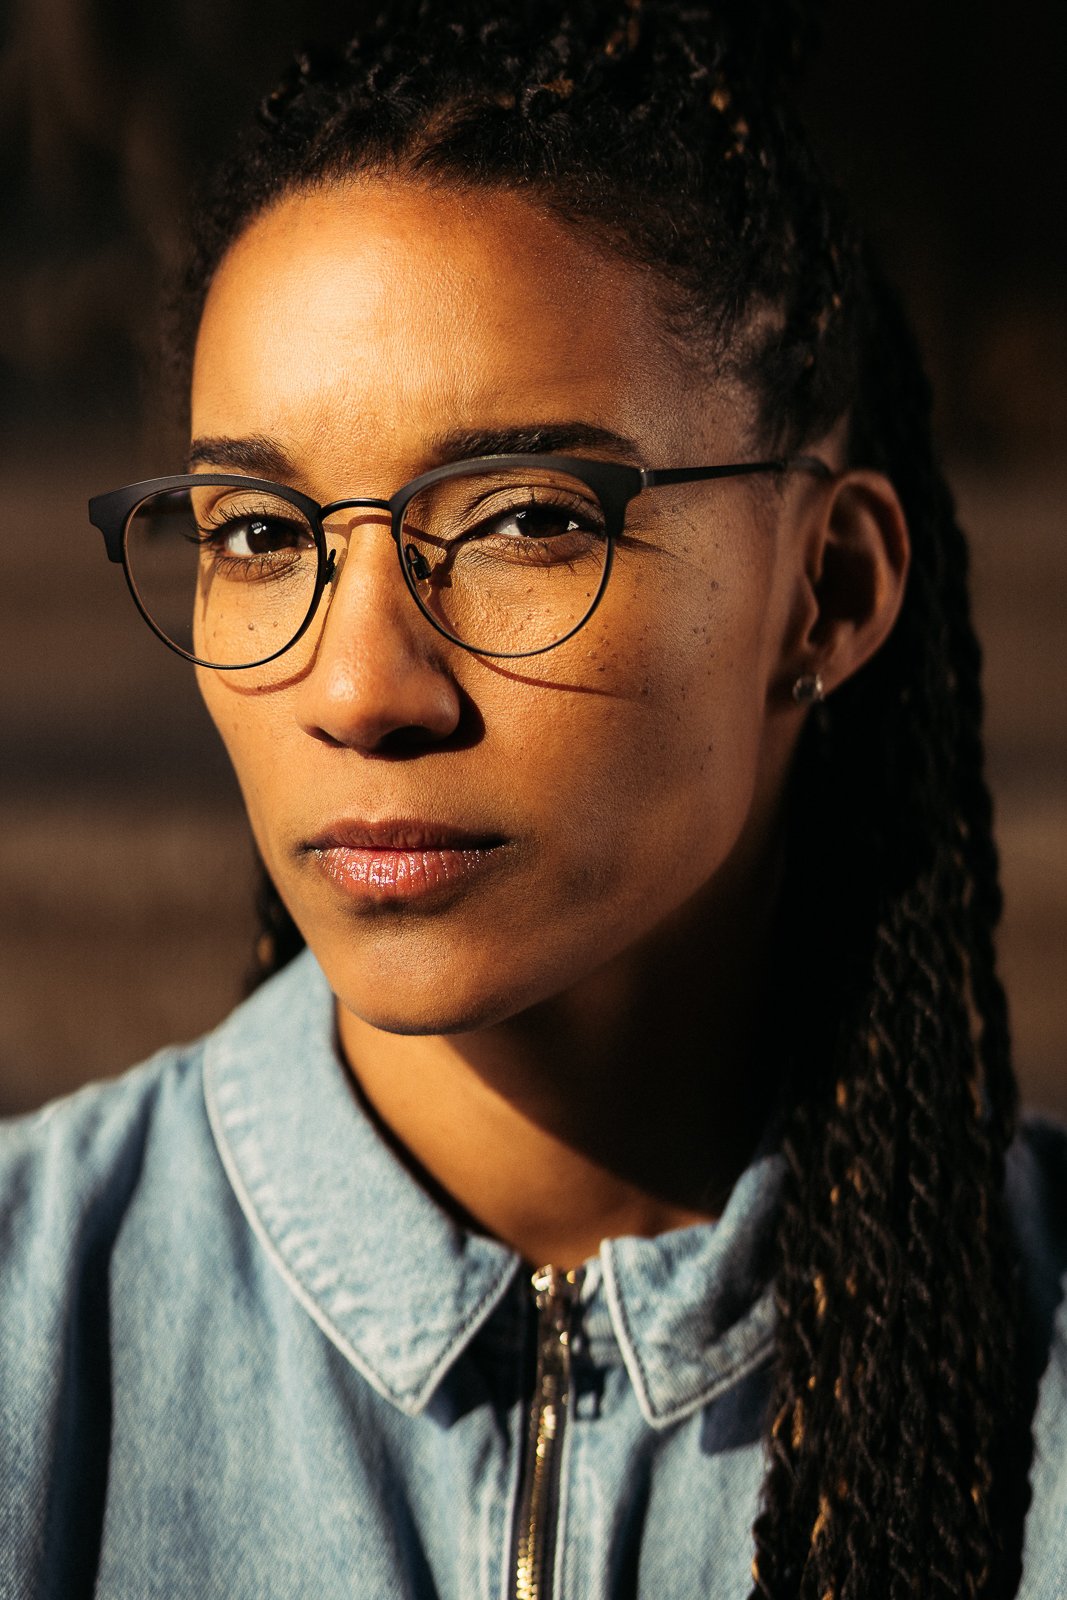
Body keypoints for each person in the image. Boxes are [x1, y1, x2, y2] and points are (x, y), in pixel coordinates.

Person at [3, 3, 1066, 1596]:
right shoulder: (32, 1310)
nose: (359, 688)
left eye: (524, 521)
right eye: (258, 534)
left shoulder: (1034, 1353)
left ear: (826, 593)